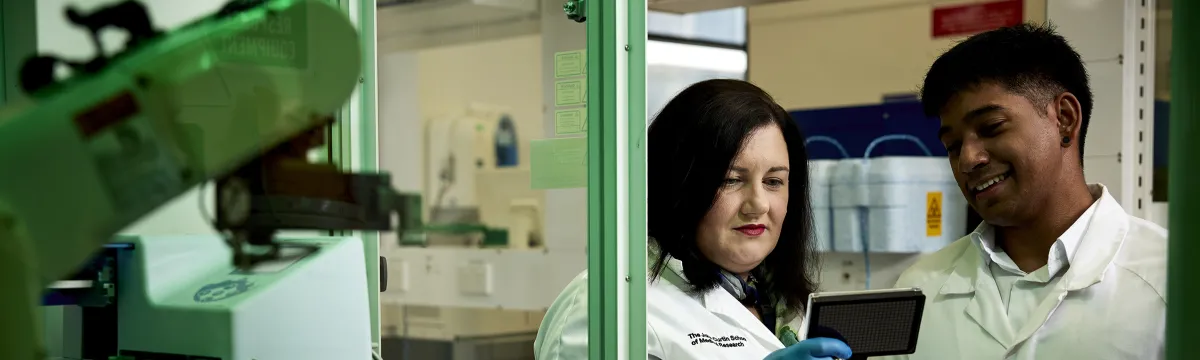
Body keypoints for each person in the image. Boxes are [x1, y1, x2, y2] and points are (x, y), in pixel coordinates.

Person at [885, 24, 1168, 359]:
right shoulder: (920, 288)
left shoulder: (1171, 279)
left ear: (1064, 118)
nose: (968, 160)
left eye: (991, 128)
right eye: (953, 145)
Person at [533, 79, 853, 360]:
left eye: (773, 182)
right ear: (679, 187)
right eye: (731, 180)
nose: (758, 205)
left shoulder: (783, 307)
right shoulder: (609, 306)